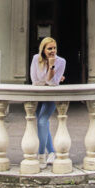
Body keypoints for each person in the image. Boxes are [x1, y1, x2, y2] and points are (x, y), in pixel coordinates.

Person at [29, 36, 66, 168]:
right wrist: (50, 79)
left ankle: (41, 156)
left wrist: (51, 67)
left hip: (51, 95)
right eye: (49, 48)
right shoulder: (36, 59)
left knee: (42, 121)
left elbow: (52, 83)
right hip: (38, 95)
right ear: (43, 50)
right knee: (42, 124)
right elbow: (34, 80)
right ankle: (51, 152)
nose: (52, 51)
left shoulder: (61, 62)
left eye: (54, 48)